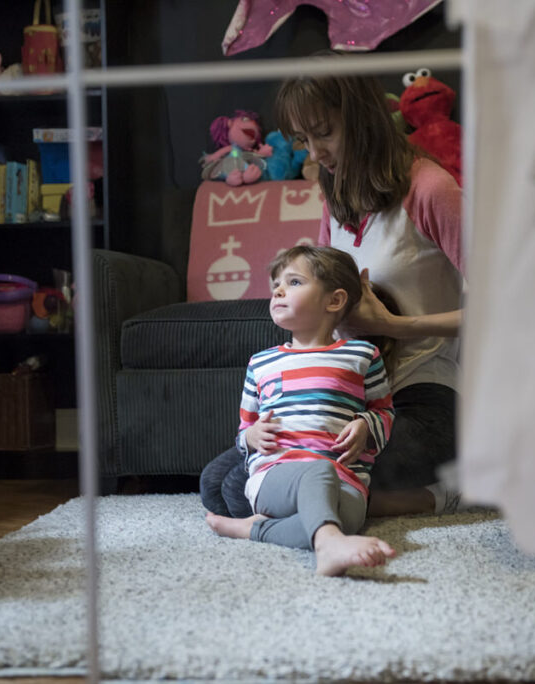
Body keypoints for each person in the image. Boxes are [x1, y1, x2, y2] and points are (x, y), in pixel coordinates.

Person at [200, 52, 465, 518]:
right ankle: (371, 500)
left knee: (253, 490)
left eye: (324, 133)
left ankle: (442, 492)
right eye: (303, 139)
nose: (315, 153)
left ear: (362, 119)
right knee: (220, 483)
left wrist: (395, 325)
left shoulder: (429, 189)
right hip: (346, 395)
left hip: (425, 397)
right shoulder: (337, 195)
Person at [205, 245, 397, 576]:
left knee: (344, 520)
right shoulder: (261, 363)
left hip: (346, 481)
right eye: (276, 284)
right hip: (275, 478)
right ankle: (329, 544)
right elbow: (244, 431)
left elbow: (384, 411)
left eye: (293, 282)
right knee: (317, 471)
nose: (278, 290)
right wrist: (250, 436)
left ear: (333, 301)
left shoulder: (362, 355)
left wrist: (367, 425)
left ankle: (255, 530)